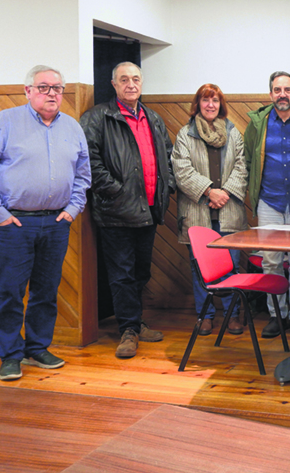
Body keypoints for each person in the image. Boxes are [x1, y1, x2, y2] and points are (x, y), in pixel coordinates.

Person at [0, 65, 91, 381]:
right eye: (43, 87)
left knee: (46, 291)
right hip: (15, 225)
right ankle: (11, 355)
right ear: (28, 91)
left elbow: (83, 175)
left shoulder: (73, 128)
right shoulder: (4, 122)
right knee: (8, 292)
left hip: (56, 223)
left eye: (57, 88)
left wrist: (73, 209)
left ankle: (37, 348)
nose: (52, 93)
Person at [80, 62, 175, 359]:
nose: (131, 84)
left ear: (141, 83)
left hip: (149, 209)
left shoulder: (153, 118)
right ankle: (129, 330)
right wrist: (116, 191)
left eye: (135, 79)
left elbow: (168, 156)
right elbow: (88, 161)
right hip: (116, 211)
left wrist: (168, 185)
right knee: (121, 274)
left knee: (141, 271)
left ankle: (136, 321)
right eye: (124, 80)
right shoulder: (97, 117)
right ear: (114, 84)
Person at [244, 71, 290, 339]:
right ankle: (277, 314)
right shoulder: (258, 124)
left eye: (287, 90)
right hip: (269, 201)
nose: (282, 95)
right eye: (277, 90)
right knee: (271, 261)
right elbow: (249, 160)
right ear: (270, 94)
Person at [173, 84, 248, 336]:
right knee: (200, 268)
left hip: (229, 211)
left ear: (221, 105)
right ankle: (205, 315)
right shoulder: (185, 134)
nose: (210, 105)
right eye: (205, 100)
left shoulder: (233, 133)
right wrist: (208, 191)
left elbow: (242, 166)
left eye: (215, 100)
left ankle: (232, 315)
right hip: (198, 213)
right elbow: (181, 170)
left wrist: (223, 193)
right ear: (198, 104)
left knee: (231, 266)